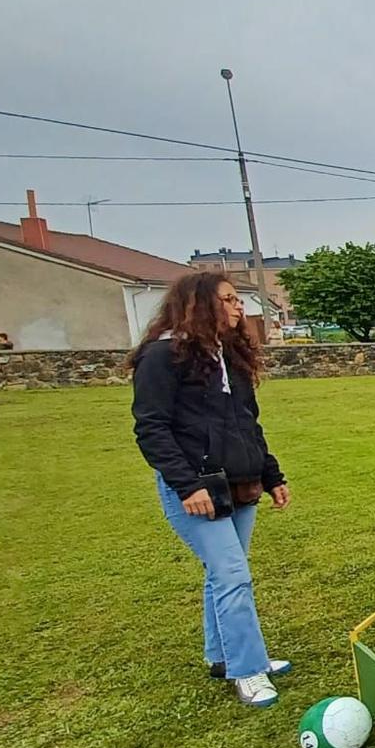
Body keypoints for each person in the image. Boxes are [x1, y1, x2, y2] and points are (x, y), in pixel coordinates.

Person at [129, 271, 293, 708]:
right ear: (199, 305)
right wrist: (186, 485)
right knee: (233, 575)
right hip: (197, 490)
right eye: (228, 299)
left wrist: (272, 475)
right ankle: (248, 669)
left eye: (238, 299)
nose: (239, 307)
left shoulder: (229, 357)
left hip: (240, 484)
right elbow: (151, 428)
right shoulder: (163, 357)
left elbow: (247, 423)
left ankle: (222, 656)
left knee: (223, 574)